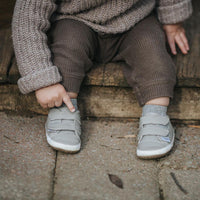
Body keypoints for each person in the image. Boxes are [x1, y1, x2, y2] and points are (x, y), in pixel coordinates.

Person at [12, 0, 192, 159]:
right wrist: (42, 79)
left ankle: (156, 112)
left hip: (135, 18)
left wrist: (173, 19)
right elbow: (27, 17)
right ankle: (63, 108)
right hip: (75, 19)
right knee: (67, 50)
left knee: (152, 54)